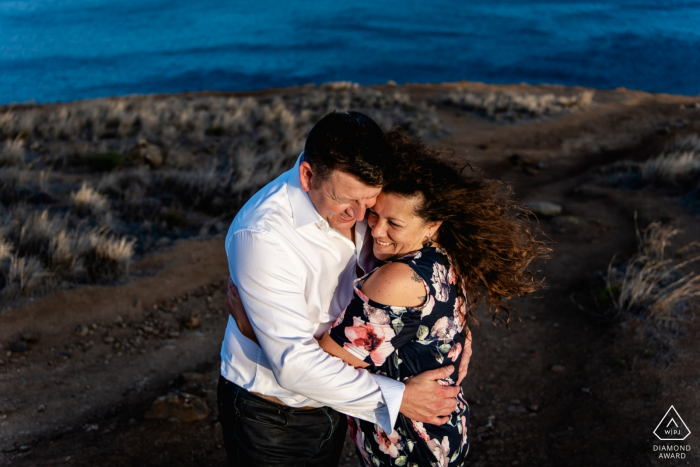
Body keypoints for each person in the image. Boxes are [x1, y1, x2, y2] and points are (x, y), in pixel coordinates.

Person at [218, 111, 471, 467]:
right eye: (346, 201)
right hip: (274, 412)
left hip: (338, 401)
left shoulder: (366, 204)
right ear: (308, 176)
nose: (358, 215)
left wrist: (456, 334)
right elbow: (294, 365)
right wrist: (397, 399)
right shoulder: (263, 236)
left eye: (368, 202)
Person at [315, 130, 550, 466]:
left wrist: (254, 328)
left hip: (412, 446)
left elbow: (322, 366)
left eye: (394, 223)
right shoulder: (441, 256)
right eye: (375, 214)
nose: (377, 231)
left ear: (431, 225)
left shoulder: (396, 279)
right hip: (444, 431)